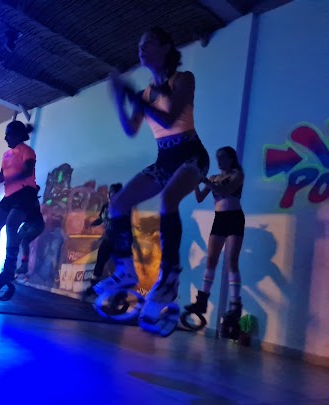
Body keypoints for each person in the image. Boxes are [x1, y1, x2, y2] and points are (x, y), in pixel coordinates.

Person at [94, 27, 210, 331]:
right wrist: (120, 100)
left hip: (191, 155)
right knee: (118, 204)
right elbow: (130, 129)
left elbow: (170, 119)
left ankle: (169, 275)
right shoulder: (145, 94)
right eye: (139, 46)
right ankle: (125, 270)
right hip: (165, 158)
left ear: (166, 47)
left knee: (168, 199)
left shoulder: (183, 80)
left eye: (147, 44)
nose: (141, 50)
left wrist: (134, 96)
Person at [0, 120, 39, 292]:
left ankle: (9, 270)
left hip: (25, 193)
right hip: (10, 195)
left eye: (8, 135)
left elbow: (27, 171)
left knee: (11, 226)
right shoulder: (6, 155)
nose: (5, 138)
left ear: (17, 135)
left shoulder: (27, 150)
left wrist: (10, 178)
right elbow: (2, 175)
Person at [185, 146, 245, 333]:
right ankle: (202, 300)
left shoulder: (237, 175)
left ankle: (235, 304)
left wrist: (204, 180)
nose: (218, 161)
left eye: (222, 157)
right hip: (219, 219)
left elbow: (226, 191)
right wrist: (195, 182)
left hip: (234, 217)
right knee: (211, 260)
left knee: (231, 261)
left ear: (231, 159)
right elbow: (199, 198)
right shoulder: (213, 178)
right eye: (217, 157)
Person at [82, 183, 123, 296]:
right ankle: (93, 288)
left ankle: (118, 293)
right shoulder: (106, 206)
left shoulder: (124, 207)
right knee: (100, 263)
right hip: (108, 239)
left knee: (118, 267)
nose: (111, 195)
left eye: (114, 193)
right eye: (111, 193)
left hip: (119, 242)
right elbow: (101, 219)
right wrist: (91, 224)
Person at [15, 185, 45, 276]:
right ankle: (13, 263)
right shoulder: (30, 200)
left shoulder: (32, 201)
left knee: (24, 241)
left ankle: (24, 265)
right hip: (29, 224)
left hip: (36, 224)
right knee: (16, 240)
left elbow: (24, 215)